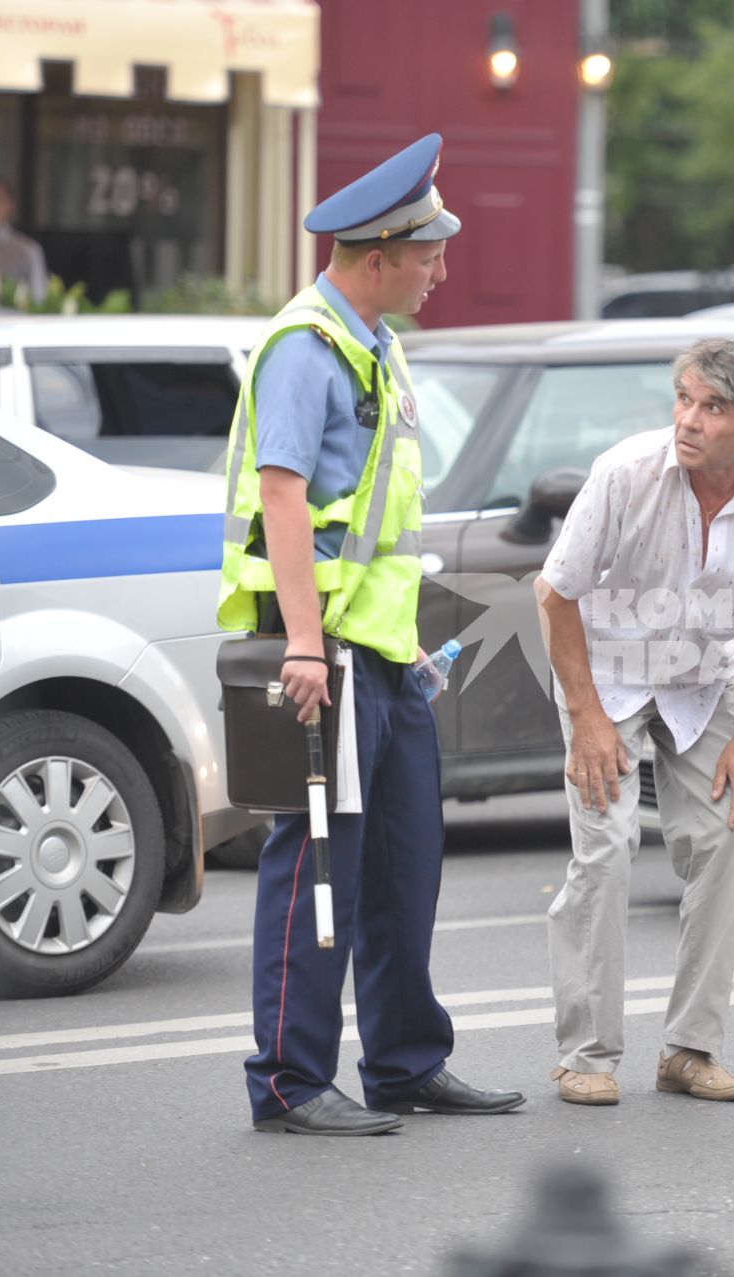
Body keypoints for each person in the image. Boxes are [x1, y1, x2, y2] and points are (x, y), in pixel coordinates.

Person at [216, 133, 524, 1136]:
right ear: (379, 254)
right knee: (315, 872)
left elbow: (376, 524)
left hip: (386, 657)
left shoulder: (374, 344)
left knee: (402, 868)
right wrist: (305, 644)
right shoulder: (305, 350)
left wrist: (413, 651)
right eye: (429, 250)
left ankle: (402, 1061)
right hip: (329, 659)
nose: (442, 266)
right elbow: (284, 497)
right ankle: (290, 1079)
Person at [536, 337, 734, 1107]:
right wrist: (588, 717)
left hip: (706, 673)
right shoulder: (626, 473)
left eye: (713, 407)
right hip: (605, 674)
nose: (689, 420)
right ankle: (585, 1053)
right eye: (684, 399)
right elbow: (555, 594)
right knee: (606, 848)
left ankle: (690, 1049)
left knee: (733, 834)